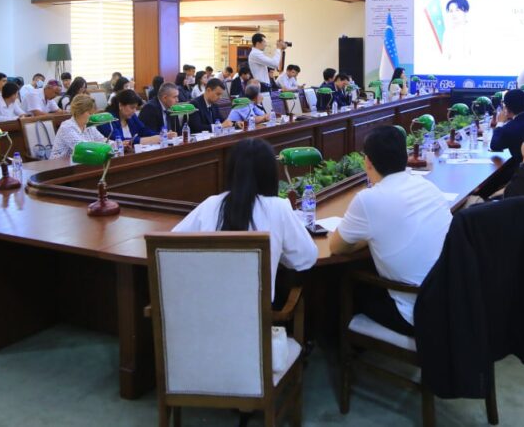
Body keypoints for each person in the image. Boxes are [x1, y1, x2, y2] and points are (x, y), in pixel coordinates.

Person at [329, 126, 452, 334]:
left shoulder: (368, 199)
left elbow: (337, 247)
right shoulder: (427, 186)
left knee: (341, 281)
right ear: (405, 156)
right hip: (450, 297)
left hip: (418, 313)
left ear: (367, 162)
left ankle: (338, 348)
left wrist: (369, 237)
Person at [173, 138, 317, 301]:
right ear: (270, 174)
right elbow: (306, 257)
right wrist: (279, 250)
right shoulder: (278, 207)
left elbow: (170, 248)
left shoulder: (210, 205)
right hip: (255, 316)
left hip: (204, 311)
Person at [50, 94, 106, 160]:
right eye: (90, 113)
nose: (92, 116)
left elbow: (103, 140)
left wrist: (114, 144)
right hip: (60, 164)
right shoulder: (67, 127)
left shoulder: (89, 126)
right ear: (79, 112)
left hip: (80, 162)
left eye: (93, 113)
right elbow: (82, 148)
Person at [490, 89, 524, 163]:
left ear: (506, 108)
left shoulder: (509, 128)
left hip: (522, 167)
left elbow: (494, 145)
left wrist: (500, 123)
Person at [441, 0, 474, 64]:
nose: (454, 14)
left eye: (457, 10)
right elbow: (445, 57)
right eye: (451, 11)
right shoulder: (447, 33)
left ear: (465, 11)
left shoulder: (472, 31)